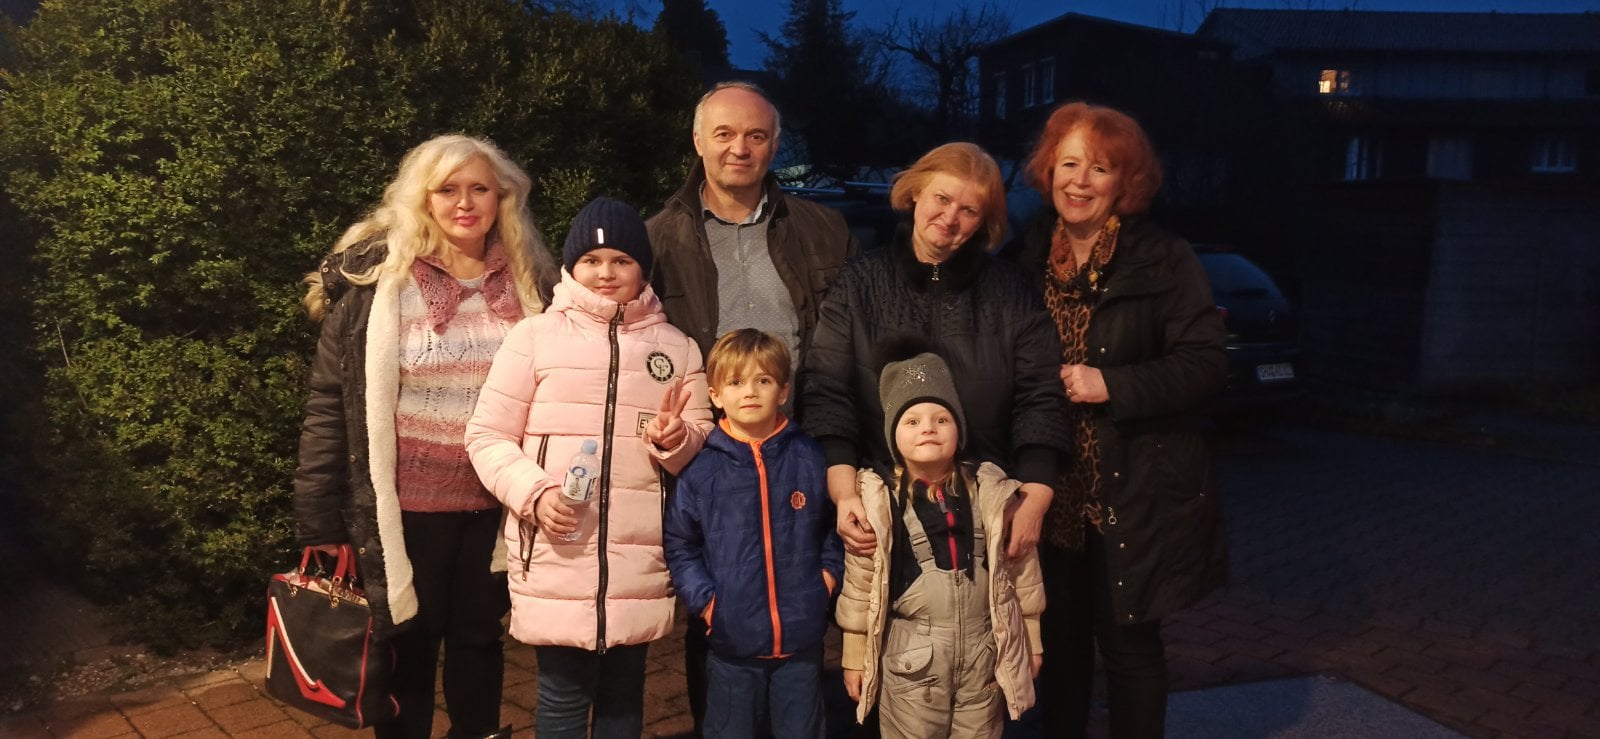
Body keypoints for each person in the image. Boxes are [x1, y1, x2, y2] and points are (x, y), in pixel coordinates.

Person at [293, 134, 557, 739]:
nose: (465, 203)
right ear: (423, 198)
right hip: (409, 510)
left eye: (479, 189)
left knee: (479, 640)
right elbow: (330, 405)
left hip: (498, 504)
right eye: (448, 189)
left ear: (502, 198)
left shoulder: (532, 284)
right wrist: (318, 519)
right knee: (408, 644)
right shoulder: (378, 287)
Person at [647, 80, 856, 734]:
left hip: (799, 446)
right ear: (698, 140)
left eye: (756, 135)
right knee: (719, 612)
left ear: (774, 143)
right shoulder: (658, 239)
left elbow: (848, 340)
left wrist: (828, 578)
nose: (740, 148)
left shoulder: (822, 229)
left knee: (796, 616)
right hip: (709, 456)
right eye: (725, 133)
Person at [1016, 101, 1228, 738]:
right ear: (1048, 170)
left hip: (1135, 488)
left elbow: (1207, 365)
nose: (1079, 181)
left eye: (1099, 168)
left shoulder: (1163, 258)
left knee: (1129, 647)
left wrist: (1111, 383)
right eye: (1068, 164)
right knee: (1059, 645)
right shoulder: (1026, 257)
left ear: (1124, 183)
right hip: (1052, 489)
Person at [465, 197, 713, 739]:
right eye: (592, 260)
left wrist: (676, 441)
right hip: (556, 551)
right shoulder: (534, 338)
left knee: (625, 693)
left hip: (640, 556)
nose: (606, 272)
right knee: (561, 693)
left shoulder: (679, 349)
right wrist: (534, 493)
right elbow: (487, 436)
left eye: (622, 260)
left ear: (643, 268)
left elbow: (700, 438)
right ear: (571, 267)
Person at [801, 142, 1068, 563]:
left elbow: (1040, 394)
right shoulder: (860, 283)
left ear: (984, 221)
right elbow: (828, 390)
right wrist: (843, 491)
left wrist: (1035, 496)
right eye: (942, 198)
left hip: (989, 506)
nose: (950, 217)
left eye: (969, 210)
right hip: (884, 505)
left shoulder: (1010, 291)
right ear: (915, 193)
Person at [836, 351, 1045, 739]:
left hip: (983, 660)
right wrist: (854, 655)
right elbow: (861, 584)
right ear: (894, 437)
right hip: (911, 665)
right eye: (912, 421)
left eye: (941, 419)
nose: (928, 429)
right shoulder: (880, 503)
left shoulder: (991, 493)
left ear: (959, 432)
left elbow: (1022, 572)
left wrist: (1030, 642)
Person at [663, 328, 844, 739]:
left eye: (763, 380)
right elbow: (681, 542)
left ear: (783, 391)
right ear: (715, 395)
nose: (750, 392)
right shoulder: (702, 468)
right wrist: (708, 603)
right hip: (732, 643)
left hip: (801, 640)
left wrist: (826, 581)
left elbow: (831, 528)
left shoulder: (809, 456)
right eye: (736, 382)